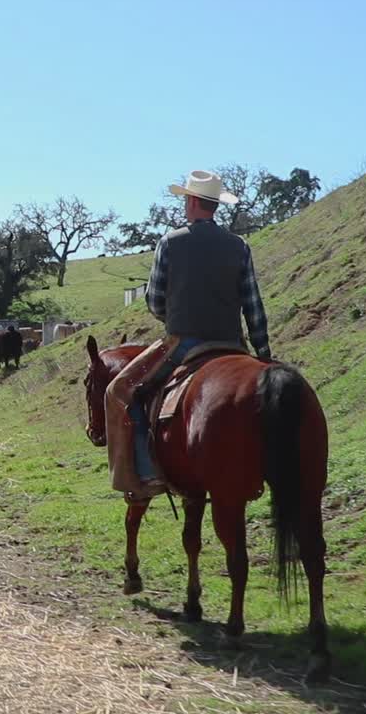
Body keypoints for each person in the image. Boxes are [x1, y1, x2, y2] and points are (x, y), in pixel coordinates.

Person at [107, 170, 272, 501]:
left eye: (186, 199)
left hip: (183, 344)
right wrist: (263, 353)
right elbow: (253, 306)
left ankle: (146, 473)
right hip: (232, 346)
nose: (185, 204)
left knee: (121, 391)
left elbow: (154, 301)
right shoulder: (239, 246)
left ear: (194, 201)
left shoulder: (170, 242)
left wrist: (178, 314)